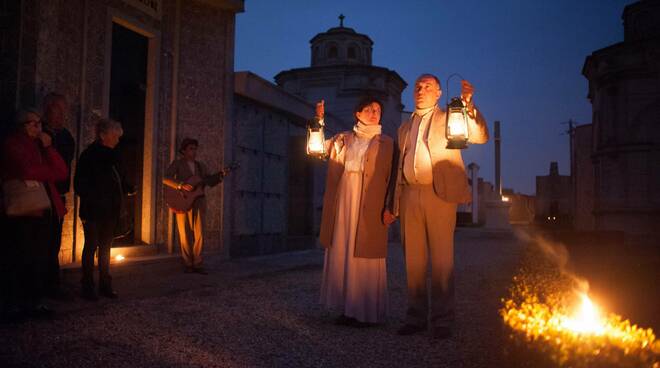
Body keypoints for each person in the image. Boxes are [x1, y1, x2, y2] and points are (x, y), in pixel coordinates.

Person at [386, 74, 489, 339]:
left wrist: (467, 105)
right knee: (414, 262)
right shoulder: (404, 127)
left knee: (442, 261)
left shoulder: (449, 117)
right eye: (418, 87)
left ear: (439, 93)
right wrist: (393, 203)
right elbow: (399, 166)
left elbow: (480, 136)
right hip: (409, 194)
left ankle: (443, 319)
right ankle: (416, 316)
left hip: (438, 194)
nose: (421, 90)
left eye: (428, 86)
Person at [317, 97, 395, 327]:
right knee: (344, 249)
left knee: (366, 254)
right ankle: (347, 309)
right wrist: (318, 122)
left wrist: (391, 207)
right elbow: (316, 150)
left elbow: (393, 179)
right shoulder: (342, 139)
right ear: (357, 113)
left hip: (370, 202)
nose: (374, 113)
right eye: (369, 109)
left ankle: (366, 311)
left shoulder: (387, 143)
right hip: (343, 200)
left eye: (378, 109)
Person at [1, 109, 67, 319]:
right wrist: (44, 171)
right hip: (22, 212)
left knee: (39, 258)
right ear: (23, 126)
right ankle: (14, 303)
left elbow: (61, 172)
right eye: (34, 124)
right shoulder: (12, 144)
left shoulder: (40, 146)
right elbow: (26, 170)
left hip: (42, 210)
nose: (40, 128)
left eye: (40, 123)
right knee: (19, 257)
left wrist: (48, 148)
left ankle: (34, 302)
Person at [74, 118, 132, 301]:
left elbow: (120, 178)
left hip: (109, 210)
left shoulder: (114, 155)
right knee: (91, 247)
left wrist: (128, 187)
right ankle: (88, 286)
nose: (117, 140)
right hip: (93, 210)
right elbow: (80, 184)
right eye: (115, 136)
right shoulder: (89, 155)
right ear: (103, 135)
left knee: (106, 248)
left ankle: (105, 284)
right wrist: (97, 195)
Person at [163, 138, 223, 274]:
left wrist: (220, 176)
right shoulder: (177, 163)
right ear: (183, 150)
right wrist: (180, 185)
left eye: (195, 148)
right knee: (185, 233)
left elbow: (209, 181)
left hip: (199, 201)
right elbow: (166, 178)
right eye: (191, 148)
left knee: (200, 232)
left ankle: (198, 263)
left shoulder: (200, 166)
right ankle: (187, 263)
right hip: (183, 200)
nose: (194, 151)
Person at [41, 93, 75, 298]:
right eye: (58, 110)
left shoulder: (65, 136)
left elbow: (64, 163)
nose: (62, 115)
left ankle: (51, 284)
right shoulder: (40, 133)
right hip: (41, 194)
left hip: (57, 194)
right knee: (41, 241)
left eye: (64, 111)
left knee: (53, 242)